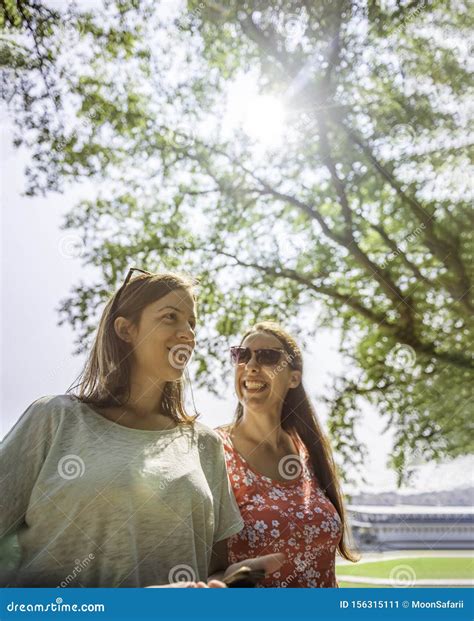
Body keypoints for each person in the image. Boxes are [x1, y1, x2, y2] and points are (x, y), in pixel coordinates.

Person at [0, 270, 283, 587]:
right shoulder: (54, 418)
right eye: (170, 317)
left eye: (192, 323)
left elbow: (213, 567)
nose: (187, 334)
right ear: (125, 330)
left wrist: (228, 581)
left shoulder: (204, 443)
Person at [216, 321, 358, 588]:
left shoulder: (307, 448)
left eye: (268, 356)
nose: (251, 365)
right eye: (242, 355)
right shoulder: (215, 450)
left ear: (294, 377)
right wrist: (235, 577)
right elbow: (211, 571)